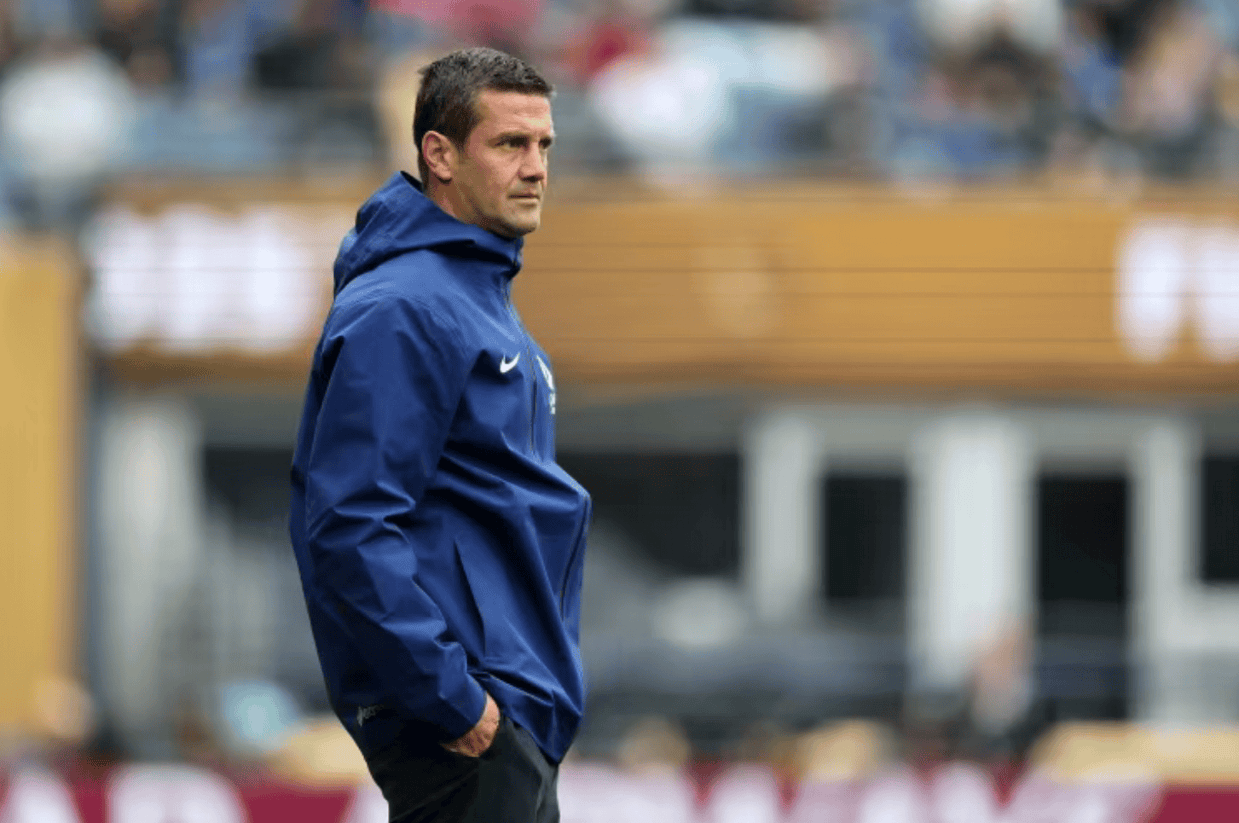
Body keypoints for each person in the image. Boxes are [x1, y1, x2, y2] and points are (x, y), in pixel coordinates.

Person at [288, 47, 591, 823]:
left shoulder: (472, 295)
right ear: (440, 155)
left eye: (544, 145)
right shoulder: (406, 306)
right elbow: (347, 523)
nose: (535, 168)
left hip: (505, 711)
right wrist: (453, 699)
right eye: (510, 144)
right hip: (463, 721)